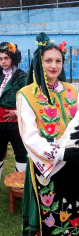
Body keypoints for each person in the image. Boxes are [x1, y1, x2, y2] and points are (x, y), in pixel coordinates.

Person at [17, 33, 79, 236]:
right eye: (48, 60)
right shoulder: (26, 94)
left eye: (58, 61)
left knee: (74, 211)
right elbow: (29, 137)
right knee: (52, 216)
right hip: (47, 164)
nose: (53, 65)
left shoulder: (70, 91)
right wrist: (61, 154)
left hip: (74, 162)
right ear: (39, 62)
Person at [0, 41, 27, 179]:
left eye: (6, 58)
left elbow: (29, 100)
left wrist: (16, 112)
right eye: (0, 59)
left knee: (21, 153)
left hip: (17, 121)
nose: (3, 61)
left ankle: (21, 187)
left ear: (13, 58)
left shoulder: (22, 77)